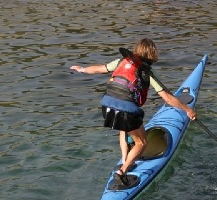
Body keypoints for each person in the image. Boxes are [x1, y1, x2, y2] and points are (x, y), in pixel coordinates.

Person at [71, 38, 196, 186]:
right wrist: (188, 110)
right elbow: (168, 98)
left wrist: (82, 69)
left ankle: (125, 159)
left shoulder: (121, 62)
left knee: (124, 128)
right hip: (127, 110)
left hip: (107, 106)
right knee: (141, 142)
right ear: (152, 54)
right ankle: (122, 171)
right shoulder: (148, 72)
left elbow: (99, 69)